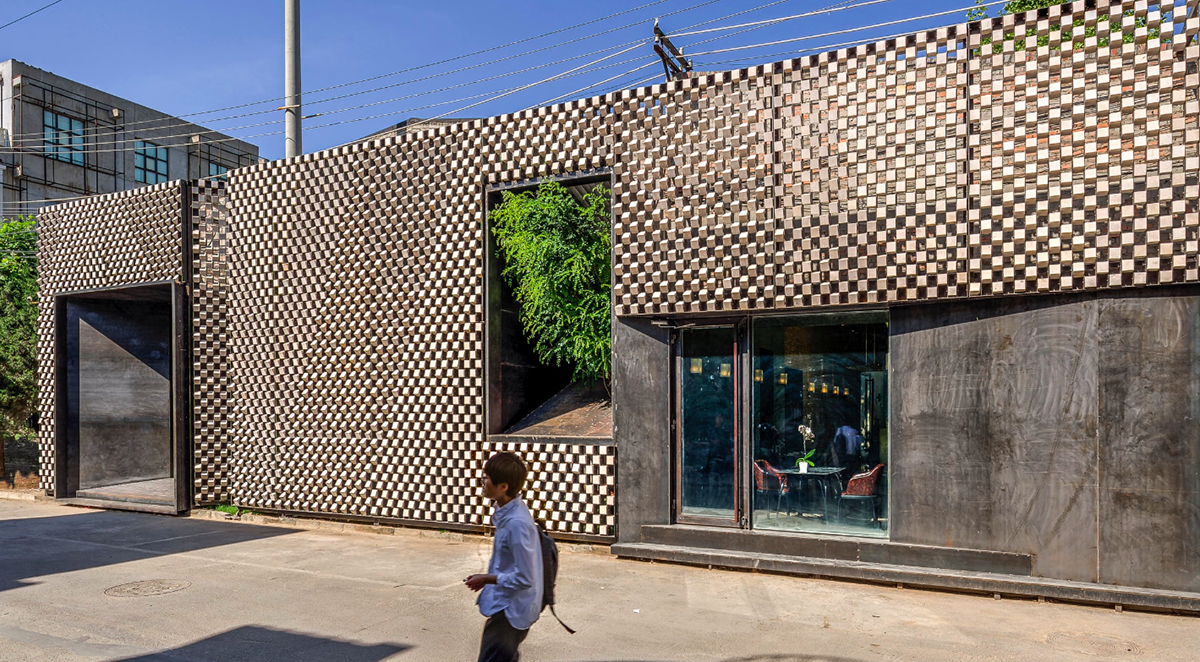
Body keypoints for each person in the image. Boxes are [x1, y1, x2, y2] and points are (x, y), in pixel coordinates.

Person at [465, 452, 544, 662]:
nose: (482, 482)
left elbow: (526, 578)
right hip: (506, 606)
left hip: (510, 611)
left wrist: (487, 578)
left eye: (487, 478)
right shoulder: (506, 511)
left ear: (503, 486)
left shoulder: (516, 523)